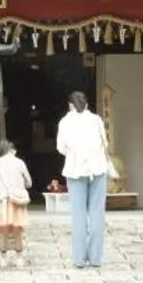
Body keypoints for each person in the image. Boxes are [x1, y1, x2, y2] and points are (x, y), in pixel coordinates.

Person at [56, 90, 110, 268]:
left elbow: (61, 148)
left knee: (78, 216)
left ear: (70, 105)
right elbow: (105, 143)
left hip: (75, 170)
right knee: (97, 214)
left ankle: (79, 259)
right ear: (87, 105)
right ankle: (95, 258)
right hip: (98, 169)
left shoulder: (65, 122)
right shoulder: (96, 120)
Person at [0, 139, 32, 267]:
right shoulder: (20, 162)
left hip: (2, 200)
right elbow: (29, 182)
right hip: (17, 200)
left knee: (3, 232)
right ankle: (19, 258)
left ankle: (3, 259)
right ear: (11, 150)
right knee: (18, 231)